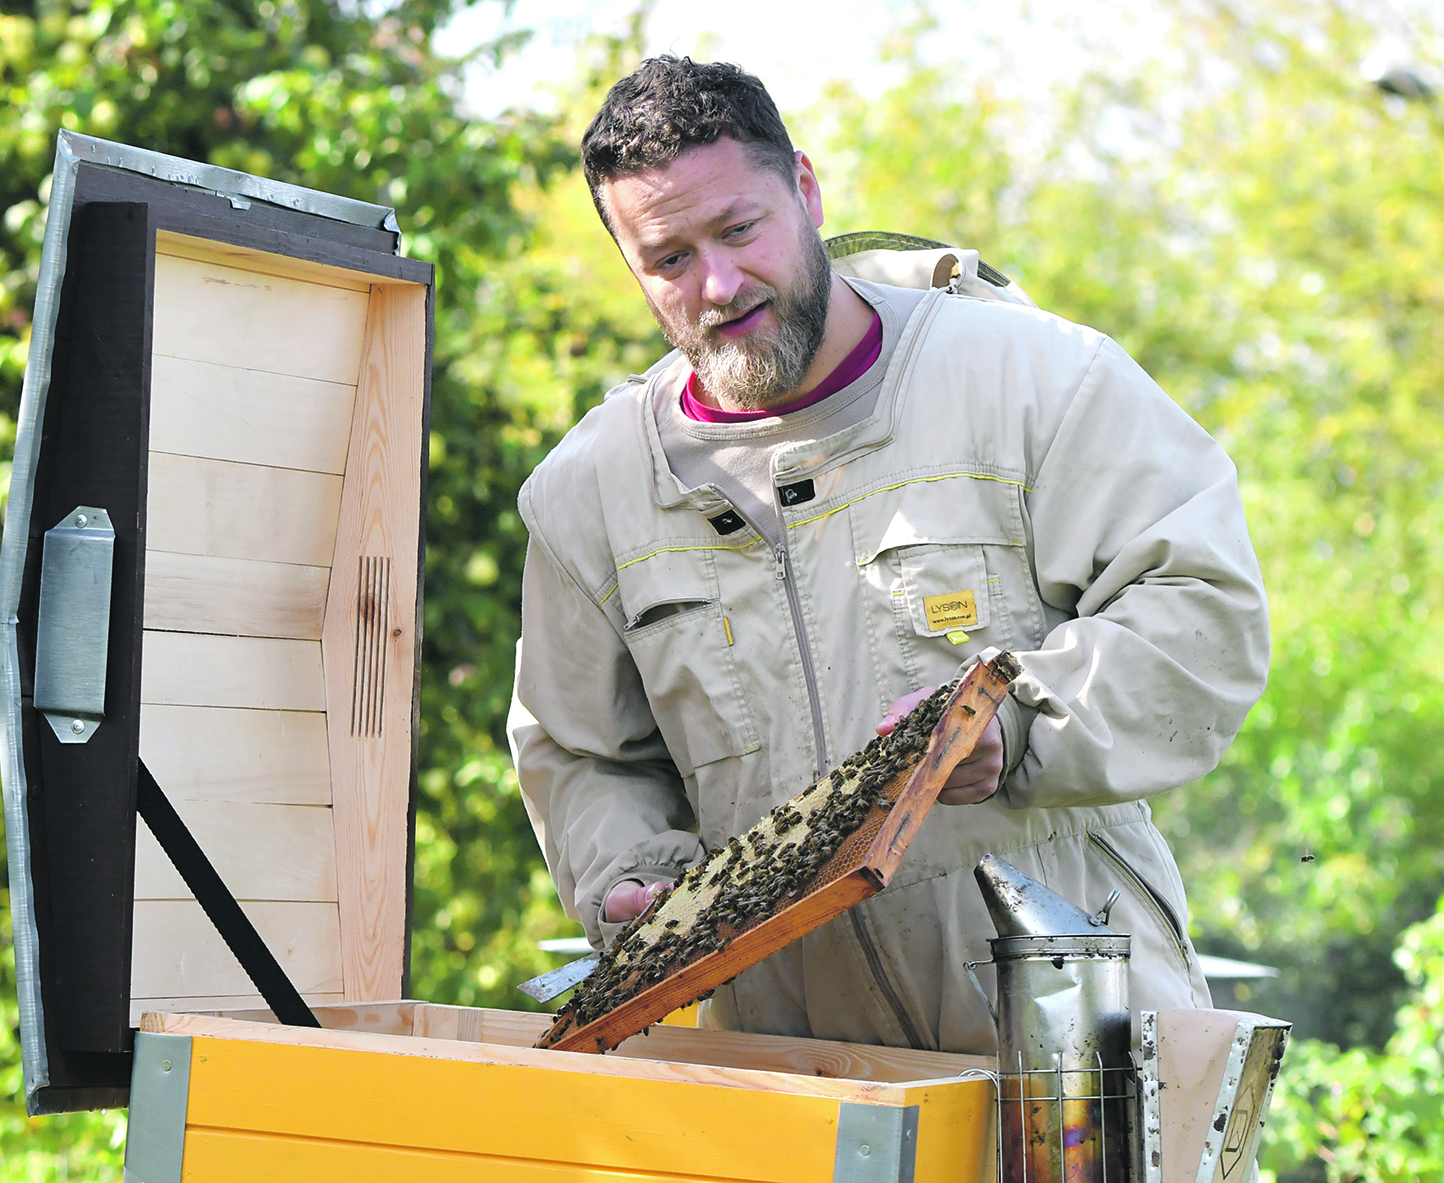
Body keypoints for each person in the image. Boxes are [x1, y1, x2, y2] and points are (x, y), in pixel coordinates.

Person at [507, 55, 1270, 1052]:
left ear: (806, 190)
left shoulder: (1034, 376)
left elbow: (1200, 609)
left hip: (1073, 1045)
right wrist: (632, 878)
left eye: (740, 230)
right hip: (788, 1068)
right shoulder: (587, 490)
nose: (719, 284)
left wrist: (1018, 722)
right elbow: (579, 752)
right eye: (669, 259)